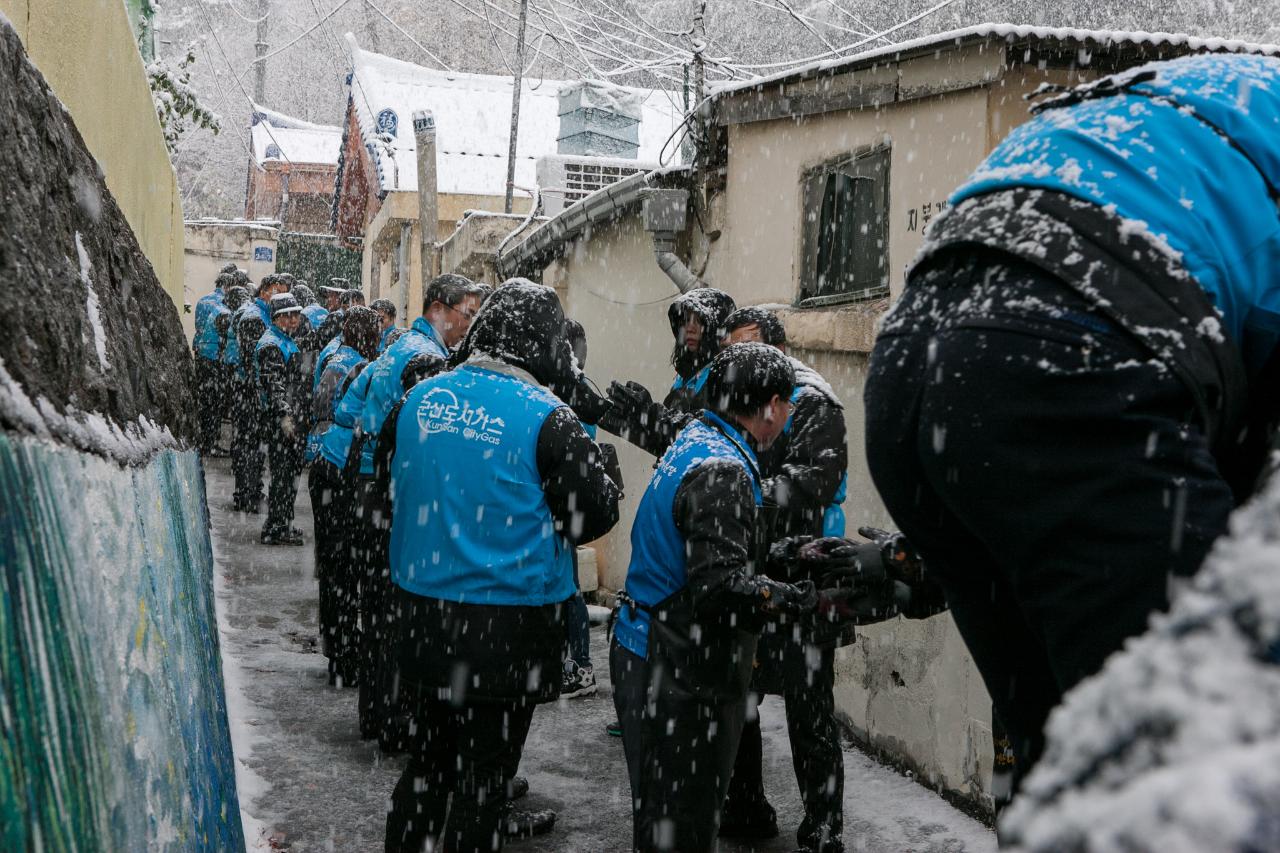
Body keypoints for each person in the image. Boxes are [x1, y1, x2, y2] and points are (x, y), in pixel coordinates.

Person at [863, 53, 1280, 798]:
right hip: (1076, 346)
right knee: (1209, 774)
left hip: (910, 366)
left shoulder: (1196, 94)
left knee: (1067, 763)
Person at [378, 280, 621, 853]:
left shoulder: (419, 400)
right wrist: (605, 466)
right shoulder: (548, 418)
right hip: (506, 632)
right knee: (483, 780)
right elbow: (589, 518)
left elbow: (392, 481)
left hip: (421, 616)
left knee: (428, 763)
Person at [613, 341, 867, 853]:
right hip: (670, 665)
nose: (792, 413)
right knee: (679, 825)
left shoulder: (700, 438)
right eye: (788, 404)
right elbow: (720, 589)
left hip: (650, 648)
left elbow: (712, 544)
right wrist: (801, 599)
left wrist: (795, 547)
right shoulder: (723, 469)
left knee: (664, 816)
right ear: (771, 406)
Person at [709, 307, 851, 850]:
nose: (738, 358)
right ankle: (746, 806)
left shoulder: (813, 402)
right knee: (742, 694)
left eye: (748, 346)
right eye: (732, 348)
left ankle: (824, 821)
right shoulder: (738, 398)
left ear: (780, 351)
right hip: (755, 571)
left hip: (808, 572)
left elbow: (815, 479)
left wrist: (747, 492)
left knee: (809, 703)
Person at [337, 273, 484, 749]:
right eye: (467, 313)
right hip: (388, 494)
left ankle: (378, 715)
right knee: (396, 609)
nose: (469, 324)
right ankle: (395, 721)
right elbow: (423, 438)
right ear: (440, 309)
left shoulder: (402, 348)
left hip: (369, 487)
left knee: (379, 607)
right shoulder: (424, 359)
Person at [307, 306, 381, 685]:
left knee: (334, 567)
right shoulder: (360, 369)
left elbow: (319, 411)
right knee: (345, 566)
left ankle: (337, 649)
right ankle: (344, 655)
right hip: (341, 472)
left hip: (326, 466)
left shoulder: (338, 359)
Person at [603, 287, 736, 457]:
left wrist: (648, 412)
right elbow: (668, 442)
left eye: (699, 321)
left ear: (716, 327)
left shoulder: (725, 376)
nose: (690, 328)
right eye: (686, 321)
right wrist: (629, 422)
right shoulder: (684, 375)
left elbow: (702, 442)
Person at [226, 274, 290, 512]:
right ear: (265, 290)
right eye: (278, 292)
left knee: (251, 443)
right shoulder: (254, 317)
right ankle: (247, 493)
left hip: (250, 389)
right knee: (249, 443)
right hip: (248, 390)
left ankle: (251, 490)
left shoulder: (260, 315)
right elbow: (252, 360)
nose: (280, 298)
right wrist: (259, 392)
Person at [254, 291, 310, 545]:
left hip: (290, 418)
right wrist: (285, 416)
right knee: (283, 475)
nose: (296, 320)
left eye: (297, 315)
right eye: (291, 315)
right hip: (280, 422)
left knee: (288, 475)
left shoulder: (285, 341)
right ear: (278, 318)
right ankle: (275, 527)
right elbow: (274, 386)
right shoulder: (271, 345)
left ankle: (283, 522)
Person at [193, 270, 234, 454]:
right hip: (215, 355)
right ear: (227, 287)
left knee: (203, 398)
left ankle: (201, 438)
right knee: (215, 400)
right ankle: (211, 441)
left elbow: (199, 326)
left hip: (201, 350)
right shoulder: (224, 305)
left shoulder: (203, 300)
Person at [314, 278, 351, 346]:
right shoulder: (350, 315)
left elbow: (318, 340)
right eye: (328, 296)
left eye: (332, 295)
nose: (328, 299)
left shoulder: (336, 317)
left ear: (342, 297)